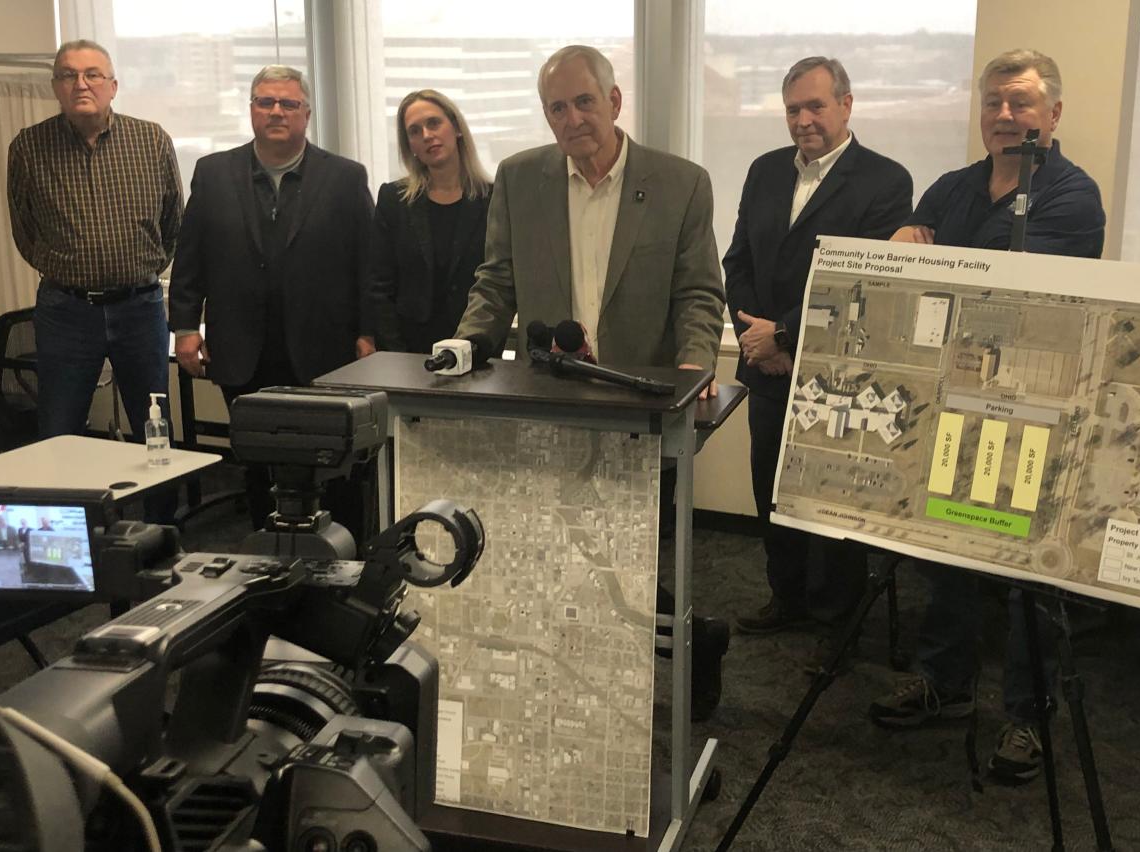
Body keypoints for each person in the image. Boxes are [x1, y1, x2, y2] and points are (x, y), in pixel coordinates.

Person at [454, 44, 729, 720]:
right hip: (551, 393)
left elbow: (698, 293)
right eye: (556, 106)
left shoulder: (681, 183)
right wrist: (465, 343)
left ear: (613, 101)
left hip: (644, 400)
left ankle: (688, 646)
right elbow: (496, 282)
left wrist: (696, 367)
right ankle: (579, 684)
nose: (571, 117)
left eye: (583, 101)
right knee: (557, 544)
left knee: (630, 555)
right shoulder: (520, 180)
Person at [868, 49, 1105, 786]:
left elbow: (1006, 296)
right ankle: (947, 682)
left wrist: (936, 260)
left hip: (1034, 408)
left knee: (1027, 566)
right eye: (995, 103)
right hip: (952, 400)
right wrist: (912, 241)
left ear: (1053, 115)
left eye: (1022, 103)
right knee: (947, 550)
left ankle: (1027, 717)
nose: (1006, 116)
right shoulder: (953, 185)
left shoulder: (1073, 196)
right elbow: (910, 267)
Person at [723, 57, 912, 657]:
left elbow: (866, 288)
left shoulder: (885, 181)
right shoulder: (764, 171)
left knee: (830, 499)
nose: (804, 120)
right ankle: (788, 597)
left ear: (846, 105)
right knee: (768, 487)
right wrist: (756, 337)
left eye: (816, 107)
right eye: (793, 110)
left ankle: (837, 622)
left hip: (839, 377)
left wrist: (783, 333)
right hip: (767, 366)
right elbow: (738, 263)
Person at [169, 65, 375, 533]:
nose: (276, 112)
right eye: (265, 102)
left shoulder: (344, 176)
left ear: (307, 114)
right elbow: (191, 256)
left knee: (331, 461)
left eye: (288, 103)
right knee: (259, 461)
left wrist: (368, 332)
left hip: (324, 350)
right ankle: (269, 556)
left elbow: (369, 264)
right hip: (242, 347)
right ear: (251, 111)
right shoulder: (214, 171)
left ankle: (337, 556)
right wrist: (184, 328)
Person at [7, 39, 182, 445]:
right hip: (66, 311)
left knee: (154, 428)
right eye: (68, 75)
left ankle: (158, 511)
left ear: (113, 86)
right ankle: (69, 509)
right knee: (59, 429)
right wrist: (67, 268)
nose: (80, 84)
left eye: (92, 75)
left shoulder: (151, 141)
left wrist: (136, 271)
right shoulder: (28, 148)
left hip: (139, 307)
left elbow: (174, 221)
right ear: (55, 86)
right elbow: (24, 229)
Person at [368, 90, 492, 354]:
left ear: (456, 128)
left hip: (478, 350)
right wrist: (395, 354)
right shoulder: (394, 200)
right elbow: (380, 288)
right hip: (409, 354)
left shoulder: (494, 198)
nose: (426, 135)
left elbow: (501, 284)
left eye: (434, 123)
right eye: (414, 131)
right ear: (410, 146)